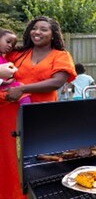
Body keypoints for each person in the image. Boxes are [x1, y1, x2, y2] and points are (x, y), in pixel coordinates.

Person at [0, 16, 76, 199]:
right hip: (9, 116)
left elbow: (57, 82)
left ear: (53, 35)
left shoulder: (60, 55)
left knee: (40, 161)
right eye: (34, 28)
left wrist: (23, 89)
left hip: (42, 117)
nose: (37, 32)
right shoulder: (17, 53)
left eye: (43, 29)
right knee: (11, 161)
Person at [0, 28, 31, 104]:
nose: (10, 46)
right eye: (8, 42)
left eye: (13, 45)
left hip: (4, 89)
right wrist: (4, 83)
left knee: (19, 87)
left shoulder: (5, 59)